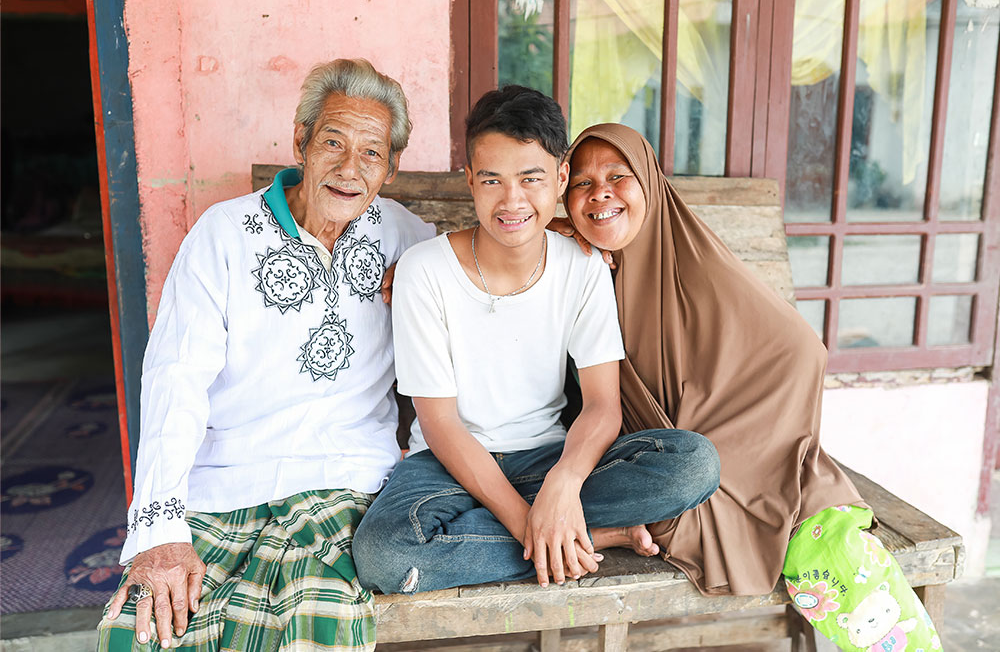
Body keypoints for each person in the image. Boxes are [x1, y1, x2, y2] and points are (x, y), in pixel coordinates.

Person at [558, 123, 942, 651]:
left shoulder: (691, 261)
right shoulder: (567, 262)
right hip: (625, 465)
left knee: (826, 545)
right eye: (580, 183)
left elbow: (799, 351)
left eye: (618, 176)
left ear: (648, 183)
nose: (599, 191)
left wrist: (730, 441)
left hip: (720, 462)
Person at [97, 58, 435, 651]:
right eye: (333, 141)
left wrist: (566, 242)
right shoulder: (222, 235)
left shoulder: (410, 239)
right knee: (142, 634)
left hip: (346, 482)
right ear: (301, 140)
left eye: (372, 153)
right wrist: (160, 529)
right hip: (222, 486)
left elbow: (494, 271)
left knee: (316, 625)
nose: (350, 169)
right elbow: (175, 378)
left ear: (392, 166)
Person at [351, 87, 719, 595]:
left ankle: (553, 528)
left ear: (560, 178)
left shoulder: (583, 266)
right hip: (445, 466)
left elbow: (602, 406)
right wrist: (534, 523)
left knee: (693, 464)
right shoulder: (423, 271)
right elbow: (439, 424)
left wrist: (564, 484)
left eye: (531, 179)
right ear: (470, 182)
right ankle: (584, 538)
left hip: (547, 456)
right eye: (492, 181)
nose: (512, 201)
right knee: (384, 556)